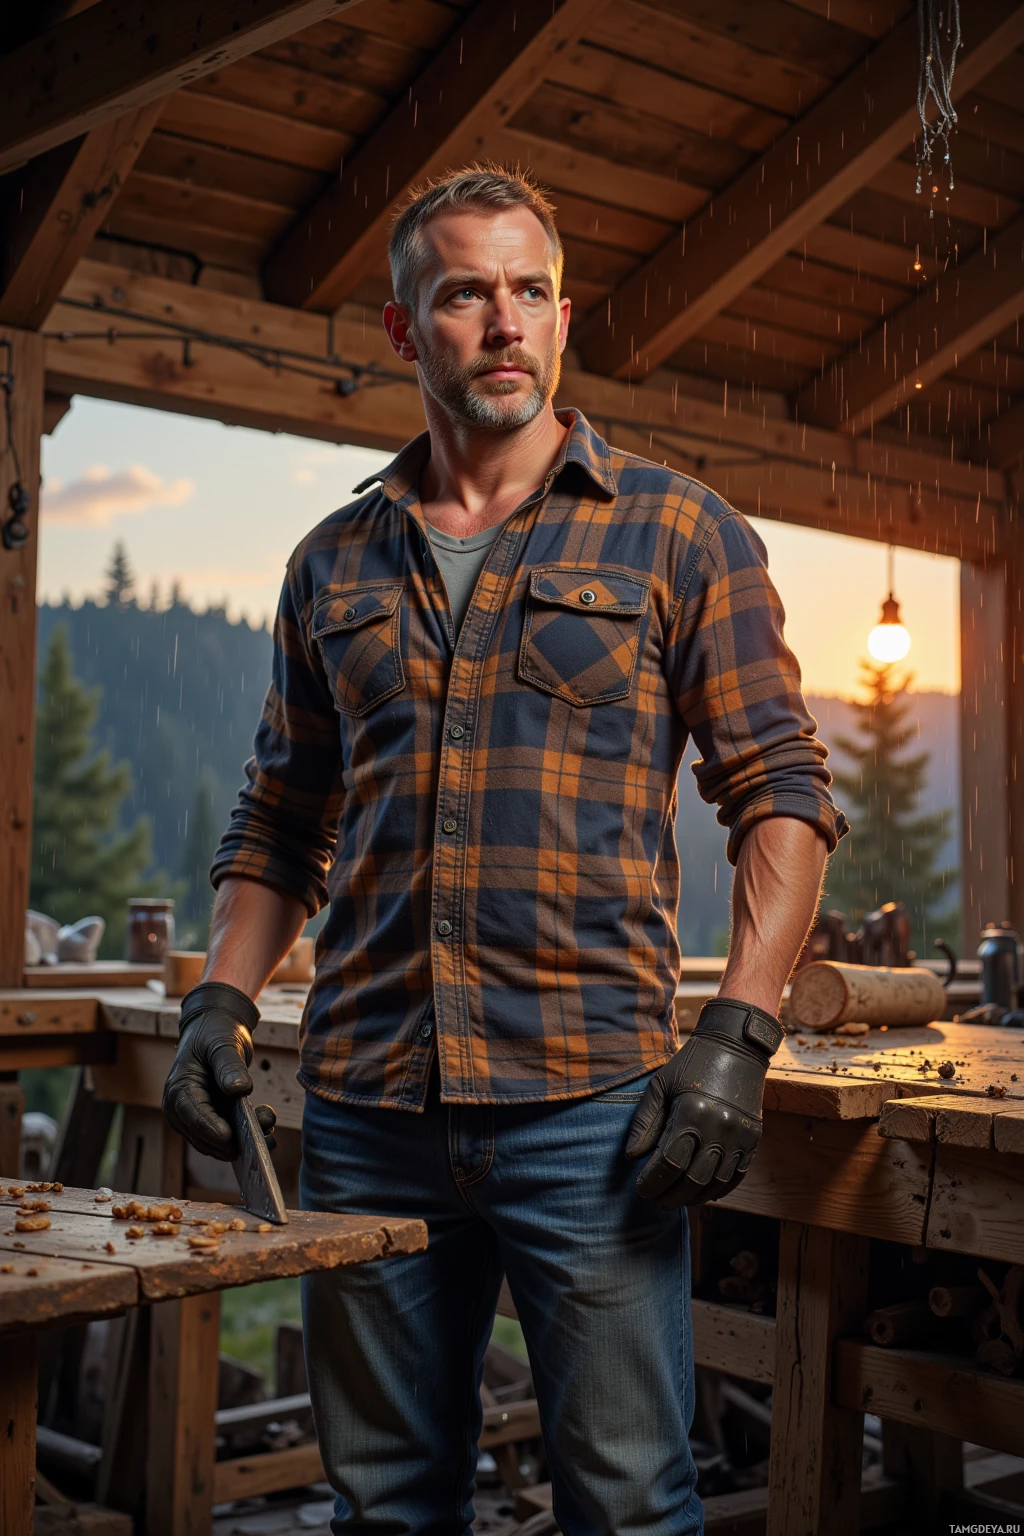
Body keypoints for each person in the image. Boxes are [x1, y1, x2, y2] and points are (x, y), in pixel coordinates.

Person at [162, 166, 846, 1535]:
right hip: (363, 1107)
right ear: (406, 330)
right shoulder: (331, 565)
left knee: (629, 1497)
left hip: (591, 1113)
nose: (505, 321)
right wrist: (222, 998)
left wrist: (736, 1038)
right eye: (465, 292)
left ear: (564, 314)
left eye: (530, 291)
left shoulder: (679, 530)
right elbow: (283, 817)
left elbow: (778, 791)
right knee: (381, 1503)